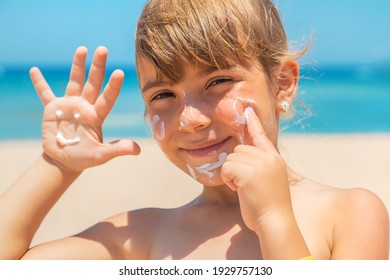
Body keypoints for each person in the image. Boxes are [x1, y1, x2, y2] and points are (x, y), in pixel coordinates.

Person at [0, 0, 388, 260]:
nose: (191, 119)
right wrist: (56, 164)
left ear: (282, 83)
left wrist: (274, 219)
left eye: (218, 81)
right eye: (164, 94)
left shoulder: (349, 214)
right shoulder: (143, 236)